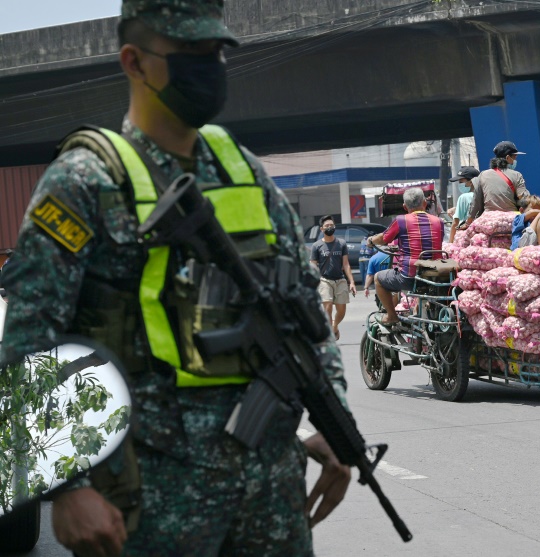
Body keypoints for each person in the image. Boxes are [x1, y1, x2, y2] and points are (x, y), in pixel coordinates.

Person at [0, 2, 352, 555]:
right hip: (150, 502)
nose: (206, 66)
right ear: (134, 62)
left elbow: (301, 311)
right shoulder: (86, 180)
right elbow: (28, 340)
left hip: (270, 498)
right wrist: (66, 487)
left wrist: (336, 425)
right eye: (188, 53)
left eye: (212, 52)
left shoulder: (244, 170)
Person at [367, 188, 444, 325]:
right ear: (425, 203)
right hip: (435, 276)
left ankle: (391, 316)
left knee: (378, 278)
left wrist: (371, 240)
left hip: (409, 276)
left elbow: (384, 238)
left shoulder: (401, 220)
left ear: (404, 206)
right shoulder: (439, 221)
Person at [311, 215, 357, 340]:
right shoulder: (316, 246)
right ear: (321, 229)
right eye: (327, 226)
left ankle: (334, 326)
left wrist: (351, 282)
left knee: (341, 310)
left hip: (340, 280)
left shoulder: (341, 243)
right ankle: (330, 329)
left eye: (331, 225)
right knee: (328, 306)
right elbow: (313, 265)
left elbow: (346, 264)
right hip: (324, 280)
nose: (330, 227)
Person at [466, 141, 530, 224]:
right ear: (507, 158)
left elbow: (476, 202)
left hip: (488, 222)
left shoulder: (483, 175)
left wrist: (468, 222)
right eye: (514, 158)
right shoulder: (516, 175)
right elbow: (524, 198)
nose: (515, 161)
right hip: (511, 221)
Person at [448, 166, 480, 242]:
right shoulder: (484, 195)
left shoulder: (464, 197)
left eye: (461, 182)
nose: (459, 184)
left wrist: (450, 243)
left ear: (471, 182)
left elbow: (455, 223)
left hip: (467, 238)